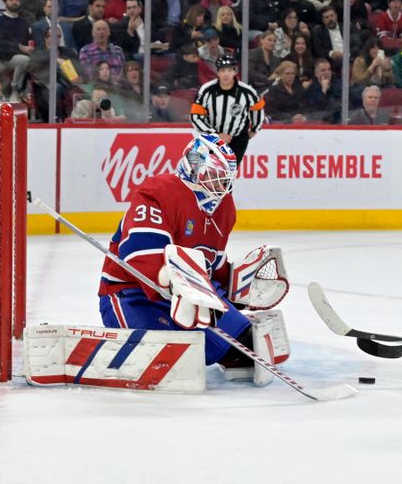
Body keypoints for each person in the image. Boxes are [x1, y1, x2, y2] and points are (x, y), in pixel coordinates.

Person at [97, 134, 278, 373]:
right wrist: (179, 286)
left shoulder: (225, 207)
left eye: (225, 180)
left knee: (246, 349)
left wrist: (235, 283)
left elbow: (211, 259)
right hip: (133, 293)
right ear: (194, 167)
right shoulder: (158, 192)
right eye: (215, 178)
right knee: (168, 362)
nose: (221, 188)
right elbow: (140, 256)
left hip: (193, 294)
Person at [191, 54, 265, 165]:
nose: (226, 74)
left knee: (227, 175)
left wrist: (254, 130)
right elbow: (195, 116)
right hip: (212, 140)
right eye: (223, 70)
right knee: (209, 173)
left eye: (230, 70)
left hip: (238, 140)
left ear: (235, 72)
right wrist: (215, 135)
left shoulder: (247, 92)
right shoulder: (206, 90)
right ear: (218, 72)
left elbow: (258, 110)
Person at [0, 0, 33, 99]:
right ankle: (15, 89)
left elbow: (27, 41)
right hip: (4, 58)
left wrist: (28, 48)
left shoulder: (23, 22)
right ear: (5, 2)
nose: (14, 2)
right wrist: (19, 47)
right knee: (24, 60)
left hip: (21, 56)